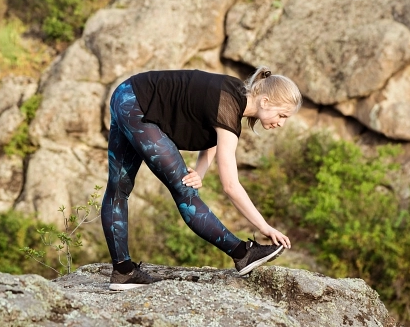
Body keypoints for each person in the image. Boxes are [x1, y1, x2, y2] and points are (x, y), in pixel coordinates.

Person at [101, 66, 303, 290]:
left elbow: (211, 131)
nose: (281, 123)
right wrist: (265, 227)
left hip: (125, 94)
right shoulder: (230, 106)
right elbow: (230, 186)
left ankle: (123, 272)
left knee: (118, 190)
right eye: (282, 115)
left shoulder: (234, 95)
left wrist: (200, 172)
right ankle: (243, 254)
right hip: (138, 105)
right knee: (185, 193)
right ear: (265, 102)